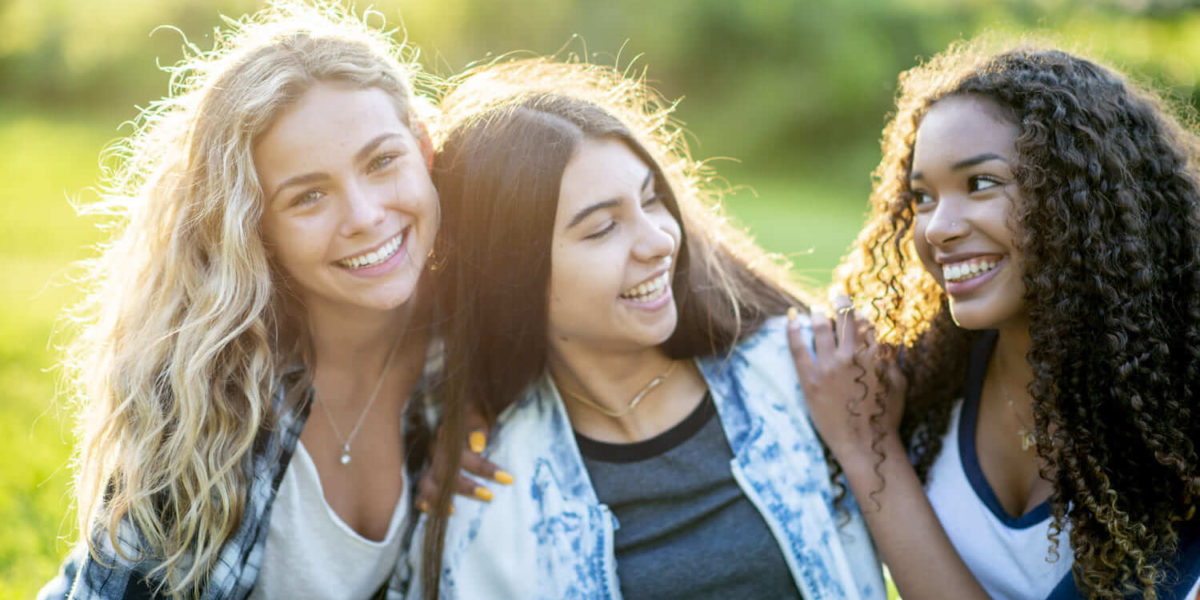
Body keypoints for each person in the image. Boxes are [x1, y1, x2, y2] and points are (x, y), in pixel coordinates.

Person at [408, 58, 886, 600]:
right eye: (604, 228)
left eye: (652, 199)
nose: (659, 240)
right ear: (514, 273)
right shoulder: (492, 492)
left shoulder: (805, 378)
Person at [39, 2, 442, 598]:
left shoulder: (475, 336)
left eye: (382, 161)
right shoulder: (207, 387)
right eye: (308, 197)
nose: (364, 216)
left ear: (423, 146)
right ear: (252, 225)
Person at [791, 41, 1200, 600]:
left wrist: (870, 452)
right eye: (922, 197)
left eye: (980, 183)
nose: (937, 228)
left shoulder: (1172, 424)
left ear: (1081, 197)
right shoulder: (931, 371)